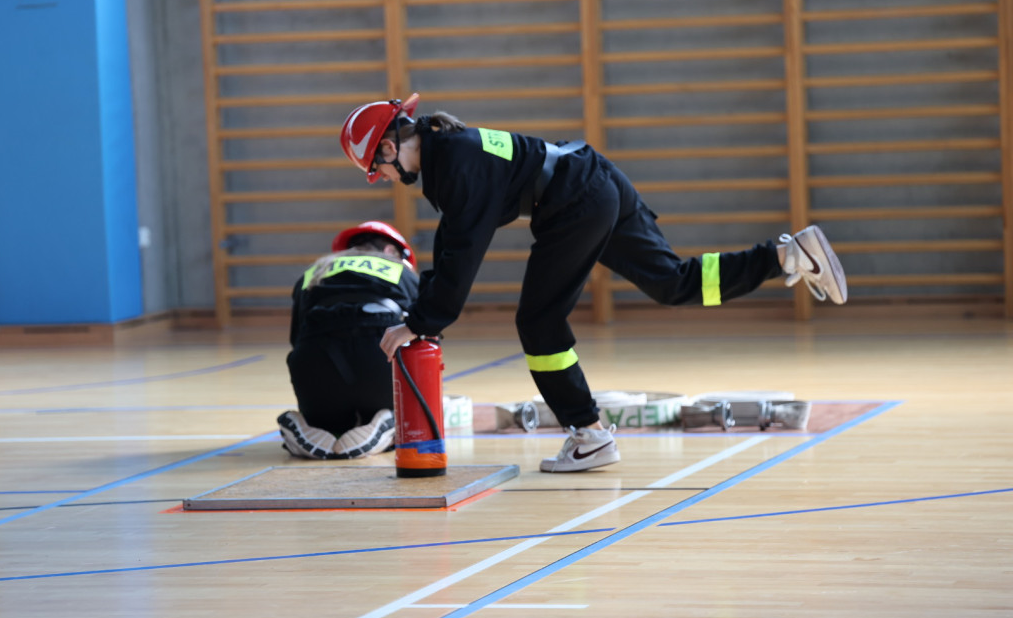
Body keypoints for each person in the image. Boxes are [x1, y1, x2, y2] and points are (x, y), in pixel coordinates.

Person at [339, 93, 848, 473]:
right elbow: (456, 242)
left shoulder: (452, 165)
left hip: (574, 201)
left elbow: (460, 254)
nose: (381, 178)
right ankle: (785, 255)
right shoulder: (452, 151)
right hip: (594, 178)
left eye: (374, 169)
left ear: (387, 147)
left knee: (538, 322)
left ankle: (589, 435)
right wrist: (428, 311)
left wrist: (419, 322)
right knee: (673, 283)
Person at [278, 221, 419, 460]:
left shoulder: (313, 272)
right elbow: (425, 336)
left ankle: (315, 427)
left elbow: (296, 338)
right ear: (390, 251)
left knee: (328, 422)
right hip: (379, 363)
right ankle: (388, 422)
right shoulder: (400, 270)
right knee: (407, 412)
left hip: (316, 370)